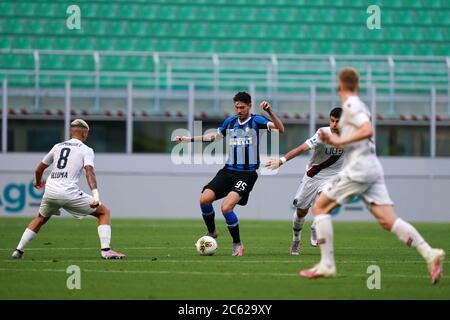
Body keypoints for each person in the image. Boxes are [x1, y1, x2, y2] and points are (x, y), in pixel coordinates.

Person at [299, 67, 445, 284]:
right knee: (388, 221)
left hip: (359, 169)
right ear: (357, 86)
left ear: (339, 86)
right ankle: (429, 253)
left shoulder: (351, 105)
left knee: (320, 207)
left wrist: (338, 141)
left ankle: (327, 264)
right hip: (372, 168)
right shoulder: (360, 105)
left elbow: (367, 130)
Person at [175, 92, 285, 256]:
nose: (239, 110)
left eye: (242, 107)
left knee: (226, 208)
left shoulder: (257, 121)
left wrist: (269, 112)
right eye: (237, 107)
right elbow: (214, 137)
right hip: (227, 171)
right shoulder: (230, 122)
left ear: (249, 106)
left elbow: (280, 129)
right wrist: (188, 139)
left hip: (246, 174)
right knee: (204, 199)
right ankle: (212, 232)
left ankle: (237, 244)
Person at [11, 119, 125, 260]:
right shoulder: (86, 150)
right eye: (87, 133)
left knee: (40, 218)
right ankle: (106, 250)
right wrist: (96, 196)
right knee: (104, 212)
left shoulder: (57, 146)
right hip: (68, 192)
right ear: (84, 133)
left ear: (71, 132)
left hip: (51, 191)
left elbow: (39, 169)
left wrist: (39, 182)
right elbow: (89, 172)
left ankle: (18, 250)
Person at [265, 107, 344, 255]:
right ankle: (296, 239)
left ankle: (316, 226)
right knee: (301, 211)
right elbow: (302, 148)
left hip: (334, 176)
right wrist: (281, 160)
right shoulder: (323, 134)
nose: (333, 124)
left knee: (326, 204)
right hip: (314, 175)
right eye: (332, 121)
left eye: (337, 122)